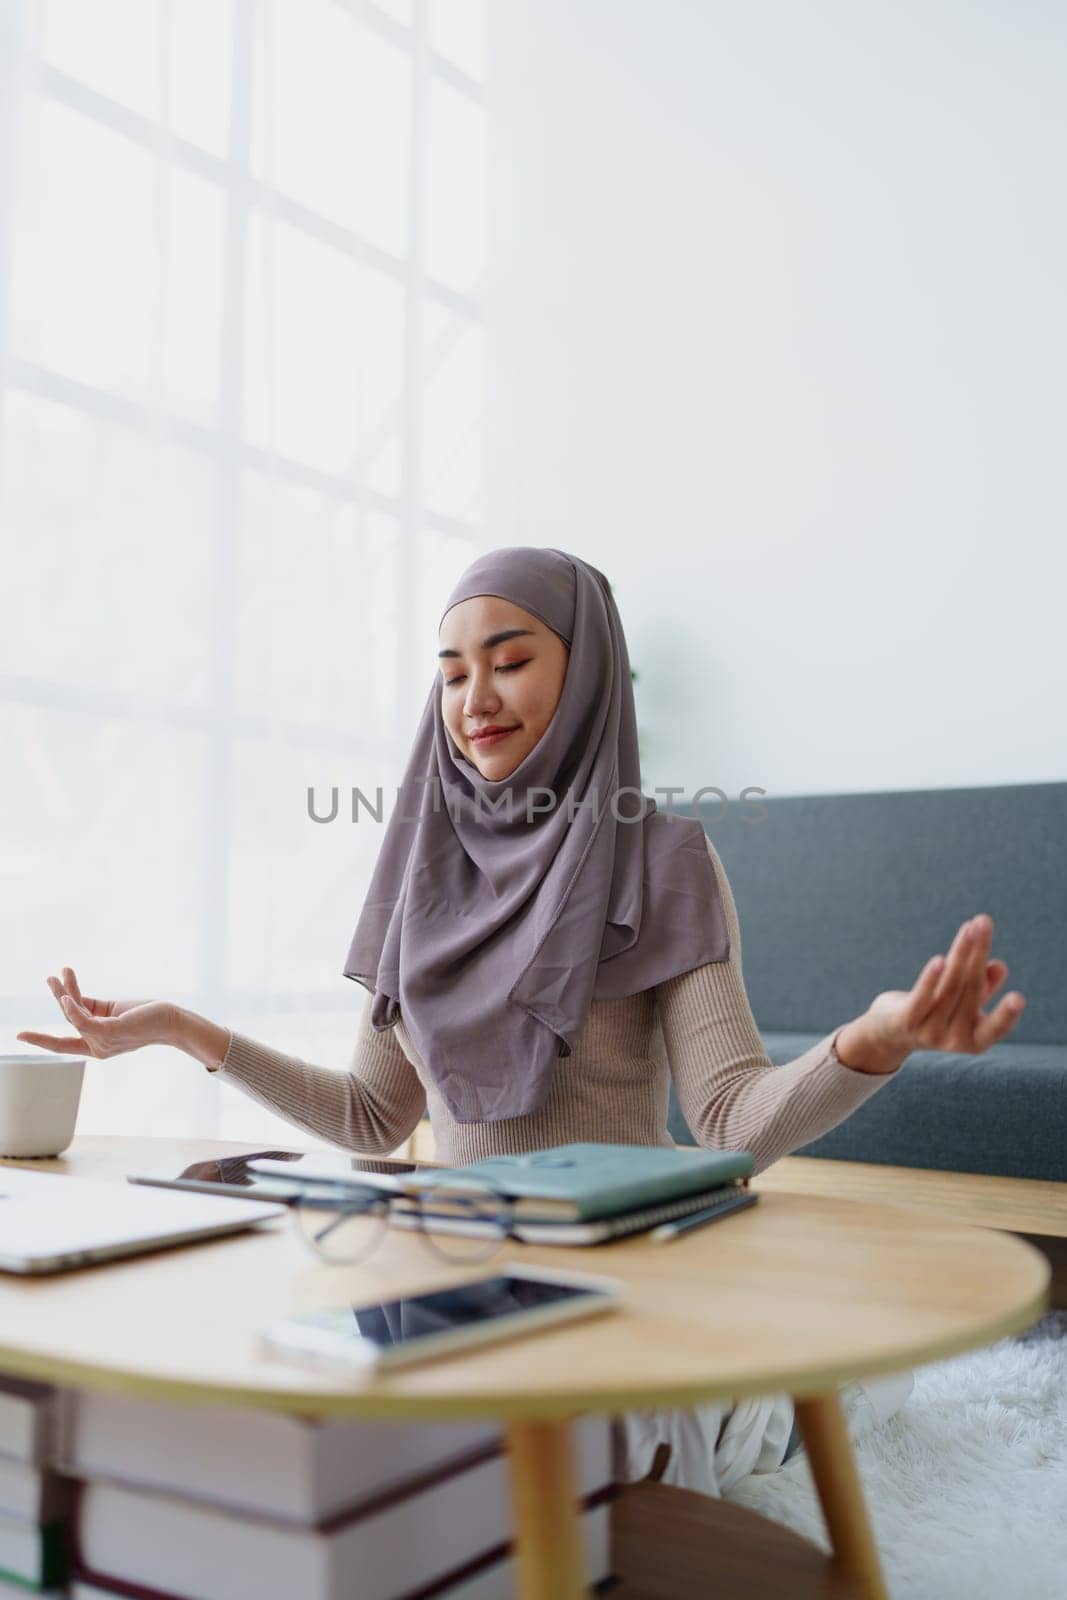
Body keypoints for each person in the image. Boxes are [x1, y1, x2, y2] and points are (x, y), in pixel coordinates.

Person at [19, 546, 1026, 1496]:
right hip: (457, 1285)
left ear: (584, 674)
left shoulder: (662, 857)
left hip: (627, 1276)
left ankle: (795, 1394)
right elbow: (374, 1114)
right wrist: (185, 1031)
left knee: (679, 1445)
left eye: (509, 661)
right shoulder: (418, 869)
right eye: (451, 673)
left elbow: (727, 1122)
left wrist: (870, 1041)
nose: (474, 699)